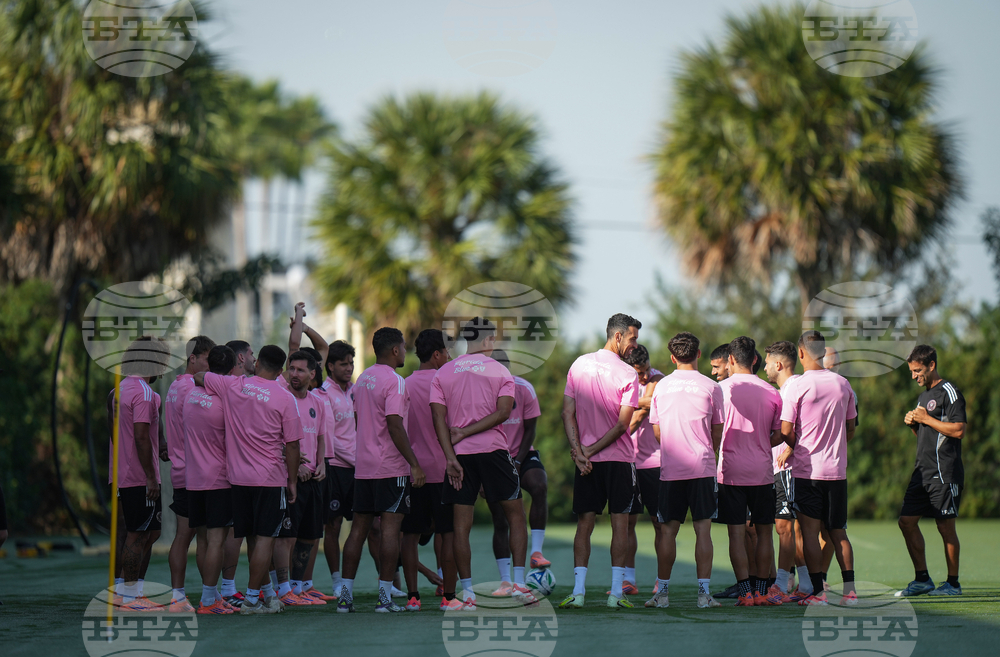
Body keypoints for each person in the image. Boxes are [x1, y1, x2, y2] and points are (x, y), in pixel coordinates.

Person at [433, 318, 538, 610]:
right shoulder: (500, 370)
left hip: (460, 456)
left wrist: (450, 457)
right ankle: (519, 585)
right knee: (516, 516)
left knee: (460, 527)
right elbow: (504, 413)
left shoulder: (443, 372)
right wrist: (468, 432)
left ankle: (467, 594)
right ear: (489, 339)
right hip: (494, 452)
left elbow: (437, 419)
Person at [194, 344, 303, 615]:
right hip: (269, 478)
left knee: (254, 538)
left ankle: (267, 596)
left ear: (259, 362)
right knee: (265, 539)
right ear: (282, 370)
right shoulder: (285, 397)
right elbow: (292, 446)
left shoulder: (234, 385)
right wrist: (292, 481)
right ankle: (252, 599)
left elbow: (200, 376)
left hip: (238, 479)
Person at [336, 327, 426, 614]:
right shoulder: (395, 381)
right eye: (404, 347)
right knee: (390, 532)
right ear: (395, 350)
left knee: (357, 532)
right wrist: (414, 464)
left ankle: (345, 598)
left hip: (363, 468)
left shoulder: (362, 379)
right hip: (390, 468)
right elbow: (395, 425)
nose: (405, 351)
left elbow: (358, 420)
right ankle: (385, 599)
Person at [559, 313, 642, 610]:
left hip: (586, 461)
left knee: (585, 525)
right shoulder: (628, 373)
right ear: (617, 336)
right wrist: (588, 451)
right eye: (632, 338)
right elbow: (622, 425)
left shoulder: (578, 364)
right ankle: (616, 594)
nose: (636, 344)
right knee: (620, 525)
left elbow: (566, 412)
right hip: (618, 460)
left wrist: (580, 452)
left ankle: (578, 592)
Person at [644, 332, 723, 610]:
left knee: (667, 531)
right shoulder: (712, 386)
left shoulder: (661, 386)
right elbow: (717, 431)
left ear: (672, 357)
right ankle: (703, 595)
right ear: (698, 354)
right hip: (702, 466)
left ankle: (662, 594)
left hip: (671, 468)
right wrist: (706, 451)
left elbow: (657, 432)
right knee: (703, 531)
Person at [779, 331, 858, 606]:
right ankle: (850, 592)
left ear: (800, 353)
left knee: (810, 534)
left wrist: (799, 446)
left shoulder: (798, 385)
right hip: (837, 472)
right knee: (838, 532)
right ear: (824, 353)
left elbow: (786, 430)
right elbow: (850, 427)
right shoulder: (843, 384)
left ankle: (817, 592)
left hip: (808, 472)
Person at [716, 337, 782, 606]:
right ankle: (762, 591)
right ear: (755, 359)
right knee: (765, 533)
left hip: (730, 471)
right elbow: (780, 433)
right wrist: (762, 443)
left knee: (736, 534)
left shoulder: (719, 390)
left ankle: (745, 593)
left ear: (730, 359)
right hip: (762, 471)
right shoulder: (772, 391)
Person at [897, 345, 967, 597]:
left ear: (932, 365)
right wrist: (913, 424)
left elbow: (959, 430)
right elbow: (928, 435)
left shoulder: (949, 392)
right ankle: (922, 579)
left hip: (944, 471)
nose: (914, 376)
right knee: (906, 522)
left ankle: (953, 584)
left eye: (917, 371)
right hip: (922, 472)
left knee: (945, 527)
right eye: (911, 371)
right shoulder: (923, 396)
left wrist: (925, 419)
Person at [113, 337, 170, 611]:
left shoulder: (120, 389)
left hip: (125, 473)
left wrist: (162, 444)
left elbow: (119, 431)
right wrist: (149, 476)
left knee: (151, 532)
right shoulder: (144, 393)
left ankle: (127, 590)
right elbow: (140, 437)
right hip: (138, 477)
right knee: (137, 535)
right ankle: (128, 596)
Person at [488, 348, 549, 598]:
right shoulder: (482, 392)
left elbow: (531, 429)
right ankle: (506, 581)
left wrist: (519, 460)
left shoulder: (524, 388)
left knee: (539, 485)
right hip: (493, 457)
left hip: (521, 453)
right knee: (500, 520)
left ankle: (536, 552)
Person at [402, 329, 455, 611]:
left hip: (412, 471)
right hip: (445, 469)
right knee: (448, 534)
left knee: (409, 537)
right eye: (447, 351)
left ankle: (413, 597)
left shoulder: (404, 384)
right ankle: (448, 597)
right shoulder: (447, 381)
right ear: (436, 354)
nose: (449, 356)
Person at [185, 345, 237, 614]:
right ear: (232, 368)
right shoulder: (227, 394)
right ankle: (208, 600)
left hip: (193, 478)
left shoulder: (191, 394)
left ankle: (212, 595)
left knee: (203, 541)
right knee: (217, 541)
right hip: (218, 478)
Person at [165, 335, 215, 612]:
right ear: (192, 358)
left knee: (186, 536)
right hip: (196, 472)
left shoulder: (174, 386)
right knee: (201, 537)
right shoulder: (192, 388)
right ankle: (205, 596)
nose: (210, 365)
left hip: (181, 469)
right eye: (207, 359)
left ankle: (181, 595)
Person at [276, 351, 328, 607]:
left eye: (300, 370)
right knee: (287, 536)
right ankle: (283, 589)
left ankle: (297, 587)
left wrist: (322, 463)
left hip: (313, 479)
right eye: (291, 369)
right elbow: (273, 439)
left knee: (309, 535)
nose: (294, 374)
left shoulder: (318, 402)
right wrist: (294, 468)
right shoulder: (281, 398)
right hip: (289, 479)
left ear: (312, 374)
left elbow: (320, 436)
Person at [763, 340, 810, 601]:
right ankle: (806, 584)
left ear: (778, 364)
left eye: (768, 362)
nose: (765, 368)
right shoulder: (783, 390)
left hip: (789, 468)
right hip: (779, 468)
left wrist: (791, 448)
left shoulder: (795, 386)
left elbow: (806, 424)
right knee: (789, 528)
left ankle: (781, 585)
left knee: (785, 527)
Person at [624, 344, 664, 595]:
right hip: (627, 462)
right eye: (639, 373)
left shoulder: (657, 379)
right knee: (627, 523)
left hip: (654, 463)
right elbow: (644, 404)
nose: (645, 375)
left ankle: (662, 579)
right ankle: (629, 580)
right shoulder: (622, 381)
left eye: (646, 369)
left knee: (659, 524)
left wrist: (626, 402)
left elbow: (642, 412)